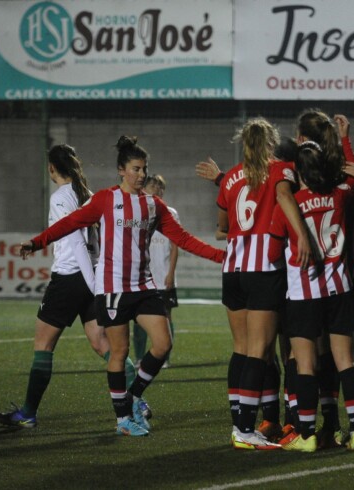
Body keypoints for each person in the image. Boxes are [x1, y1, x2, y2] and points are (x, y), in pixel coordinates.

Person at [19, 136, 225, 437]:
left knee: (162, 344)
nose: (141, 175)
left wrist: (221, 256)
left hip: (143, 285)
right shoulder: (105, 199)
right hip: (113, 288)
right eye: (136, 169)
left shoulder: (154, 206)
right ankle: (123, 420)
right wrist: (37, 242)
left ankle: (133, 394)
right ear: (121, 170)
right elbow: (70, 224)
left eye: (144, 169)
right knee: (119, 352)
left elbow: (184, 239)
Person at [0, 144, 139, 429]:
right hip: (92, 275)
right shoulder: (86, 192)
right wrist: (96, 281)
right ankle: (138, 402)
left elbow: (73, 240)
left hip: (72, 277)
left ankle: (27, 414)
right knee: (103, 345)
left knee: (43, 345)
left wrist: (91, 284)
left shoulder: (61, 196)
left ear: (51, 168)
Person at [269, 139, 354, 452]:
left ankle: (306, 436)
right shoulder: (342, 196)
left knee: (305, 365)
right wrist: (352, 154)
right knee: (346, 361)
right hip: (339, 290)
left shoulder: (290, 205)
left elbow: (271, 251)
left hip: (303, 295)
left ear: (298, 172)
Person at [209, 117, 311, 450]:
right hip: (264, 267)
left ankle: (239, 419)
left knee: (241, 348)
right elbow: (284, 197)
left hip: (233, 267)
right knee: (260, 351)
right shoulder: (281, 170)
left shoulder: (230, 179)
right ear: (270, 143)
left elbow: (223, 225)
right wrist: (302, 236)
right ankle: (243, 429)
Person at [132, 175, 179, 369]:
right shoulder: (136, 212)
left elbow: (176, 246)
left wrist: (171, 273)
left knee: (165, 316)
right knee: (137, 317)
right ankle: (139, 358)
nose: (157, 189)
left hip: (163, 277)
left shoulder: (171, 213)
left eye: (160, 186)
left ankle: (164, 358)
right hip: (141, 277)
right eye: (153, 185)